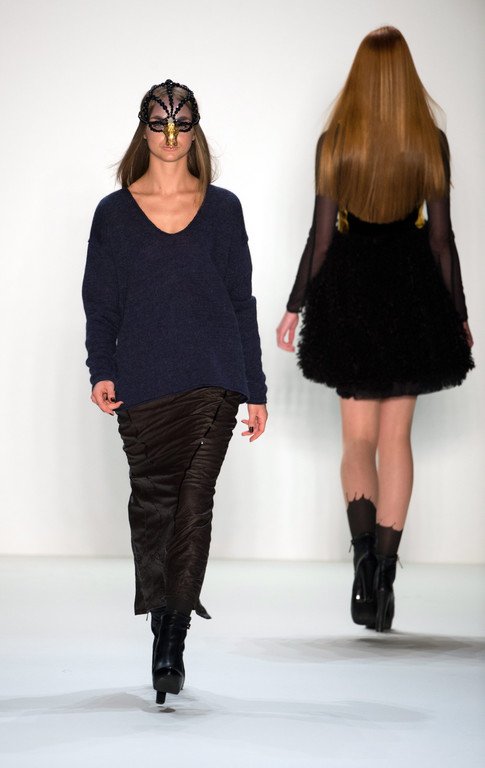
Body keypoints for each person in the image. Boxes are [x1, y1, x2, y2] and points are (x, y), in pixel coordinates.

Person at [276, 28, 474, 633]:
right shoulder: (430, 142)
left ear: (359, 78)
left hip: (352, 288)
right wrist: (459, 314)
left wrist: (295, 305)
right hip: (413, 288)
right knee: (396, 440)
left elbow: (321, 240)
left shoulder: (335, 143)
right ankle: (386, 576)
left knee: (357, 440)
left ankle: (363, 563)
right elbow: (440, 239)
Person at [82, 79, 267, 703]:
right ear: (142, 128)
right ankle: (162, 616)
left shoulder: (224, 209)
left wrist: (255, 387)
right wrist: (100, 368)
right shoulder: (113, 213)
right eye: (160, 122)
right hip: (142, 382)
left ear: (195, 129)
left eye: (181, 122)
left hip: (214, 379)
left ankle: (173, 637)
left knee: (193, 502)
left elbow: (241, 303)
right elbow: (101, 303)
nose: (170, 133)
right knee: (154, 504)